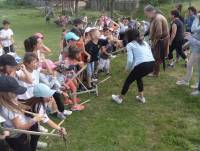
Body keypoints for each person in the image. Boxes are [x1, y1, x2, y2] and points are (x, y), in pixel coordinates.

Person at [0, 75, 44, 151]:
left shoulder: (8, 100)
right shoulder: (10, 109)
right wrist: (34, 120)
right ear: (7, 94)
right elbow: (20, 128)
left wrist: (26, 110)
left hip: (15, 135)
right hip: (17, 136)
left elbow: (17, 107)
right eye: (15, 92)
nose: (18, 94)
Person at [112, 29, 155, 104]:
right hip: (152, 64)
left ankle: (119, 98)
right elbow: (148, 53)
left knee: (128, 81)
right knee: (138, 77)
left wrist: (127, 69)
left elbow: (130, 60)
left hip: (143, 65)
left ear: (129, 37)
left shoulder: (130, 45)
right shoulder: (144, 42)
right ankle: (141, 97)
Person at [144, 5, 169, 77]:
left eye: (146, 14)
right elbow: (150, 28)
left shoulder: (158, 18)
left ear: (150, 12)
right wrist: (144, 35)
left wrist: (154, 43)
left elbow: (159, 33)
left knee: (156, 57)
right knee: (153, 55)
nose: (146, 15)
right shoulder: (153, 17)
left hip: (160, 40)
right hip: (157, 40)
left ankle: (155, 73)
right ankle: (153, 69)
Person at [176, 12, 200, 88]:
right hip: (196, 51)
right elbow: (196, 36)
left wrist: (190, 37)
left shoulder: (197, 26)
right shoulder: (198, 26)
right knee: (189, 65)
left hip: (198, 52)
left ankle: (198, 84)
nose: (197, 18)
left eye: (198, 17)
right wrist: (187, 43)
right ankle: (186, 81)